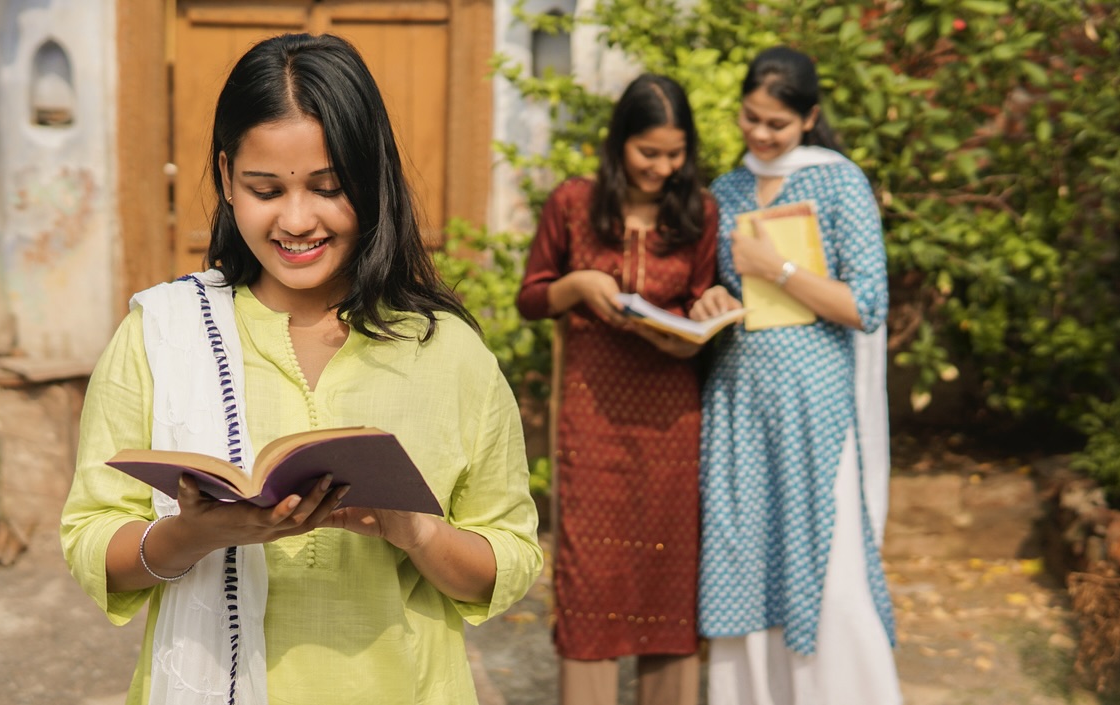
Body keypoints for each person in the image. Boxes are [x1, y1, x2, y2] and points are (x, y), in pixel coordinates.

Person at [60, 32, 542, 705]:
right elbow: (91, 540)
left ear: (371, 180)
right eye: (265, 188)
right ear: (227, 178)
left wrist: (415, 530)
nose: (296, 220)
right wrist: (190, 535)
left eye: (327, 187)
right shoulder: (162, 335)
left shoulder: (449, 352)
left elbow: (510, 559)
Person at [689, 45, 901, 704]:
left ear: (808, 119)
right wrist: (712, 299)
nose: (759, 134)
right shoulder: (724, 189)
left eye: (775, 124)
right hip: (738, 402)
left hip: (817, 407)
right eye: (750, 118)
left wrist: (775, 267)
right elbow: (717, 290)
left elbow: (866, 305)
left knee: (827, 565)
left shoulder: (839, 181)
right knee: (742, 557)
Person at [516, 73, 719, 705]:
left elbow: (698, 300)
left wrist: (699, 323)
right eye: (648, 152)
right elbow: (531, 297)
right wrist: (577, 287)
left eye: (674, 154)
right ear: (619, 143)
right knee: (591, 578)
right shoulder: (574, 204)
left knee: (669, 578)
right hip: (592, 420)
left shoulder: (700, 212)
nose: (662, 167)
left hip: (672, 424)